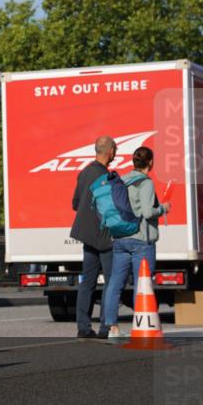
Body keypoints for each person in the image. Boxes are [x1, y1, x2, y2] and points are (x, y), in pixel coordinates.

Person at [99, 146, 169, 340]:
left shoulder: (122, 180)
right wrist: (163, 208)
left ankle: (111, 327)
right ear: (151, 163)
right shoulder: (146, 183)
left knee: (115, 283)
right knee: (143, 284)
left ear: (133, 162)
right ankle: (144, 326)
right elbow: (147, 212)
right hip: (141, 240)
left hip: (120, 239)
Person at [70, 135, 117, 339]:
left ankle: (83, 327)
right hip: (105, 236)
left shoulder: (84, 172)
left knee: (87, 281)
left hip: (87, 235)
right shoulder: (107, 177)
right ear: (111, 152)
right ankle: (106, 327)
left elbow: (75, 203)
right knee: (111, 281)